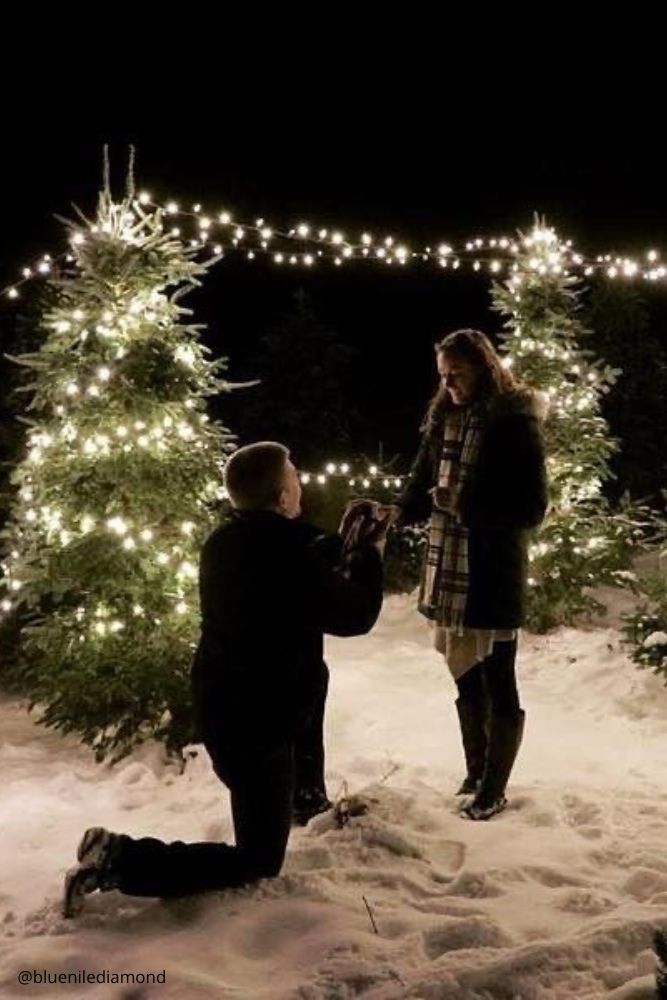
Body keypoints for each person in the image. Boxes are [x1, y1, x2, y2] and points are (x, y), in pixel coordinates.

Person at [63, 442, 387, 917]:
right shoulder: (287, 554)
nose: (300, 481)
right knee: (258, 860)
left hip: (225, 705)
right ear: (281, 496)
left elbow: (291, 557)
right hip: (260, 721)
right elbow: (353, 614)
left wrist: (341, 542)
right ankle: (118, 858)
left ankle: (305, 800)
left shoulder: (222, 543)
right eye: (293, 475)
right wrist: (370, 555)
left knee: (287, 744)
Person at [395, 329, 548, 820]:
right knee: (465, 675)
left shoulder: (514, 424)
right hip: (450, 567)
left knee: (499, 677)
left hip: (491, 568)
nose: (450, 383)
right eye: (443, 375)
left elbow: (531, 507)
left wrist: (464, 505)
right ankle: (475, 769)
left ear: (483, 367)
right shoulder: (444, 417)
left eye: (457, 373)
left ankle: (494, 788)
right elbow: (421, 482)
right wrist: (394, 513)